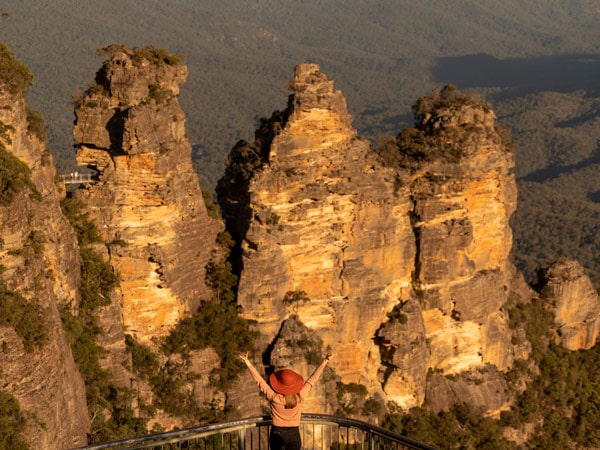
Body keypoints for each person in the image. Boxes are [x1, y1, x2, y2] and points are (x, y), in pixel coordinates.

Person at [239, 351, 333, 450]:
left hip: (277, 432)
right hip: (294, 434)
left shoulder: (274, 397)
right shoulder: (299, 396)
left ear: (279, 384)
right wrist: (325, 361)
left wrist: (247, 362)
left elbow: (260, 381)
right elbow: (312, 380)